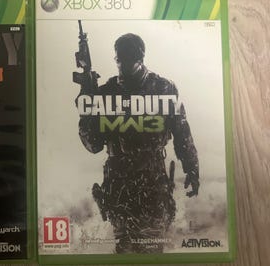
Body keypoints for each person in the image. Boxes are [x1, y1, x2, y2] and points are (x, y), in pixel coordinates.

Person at [78, 33, 199, 254]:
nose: (122, 64)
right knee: (124, 249)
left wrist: (192, 168)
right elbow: (93, 145)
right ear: (115, 58)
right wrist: (86, 103)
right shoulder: (106, 93)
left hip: (152, 181)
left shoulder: (163, 88)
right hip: (119, 184)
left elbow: (182, 133)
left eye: (128, 58)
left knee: (152, 247)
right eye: (119, 59)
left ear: (140, 58)